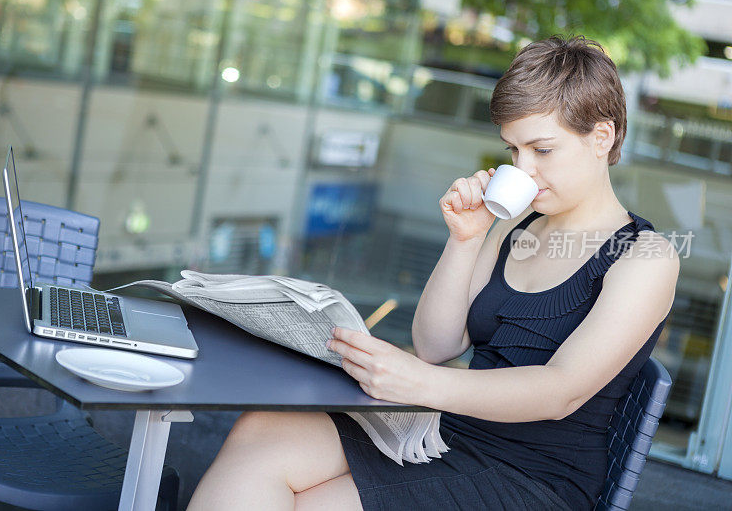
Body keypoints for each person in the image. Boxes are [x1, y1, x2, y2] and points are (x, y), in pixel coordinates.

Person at [187, 35, 680, 511]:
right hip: (449, 428)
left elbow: (560, 391)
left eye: (542, 150)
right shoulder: (517, 228)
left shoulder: (645, 257)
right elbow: (436, 346)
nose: (522, 169)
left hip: (532, 476)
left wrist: (420, 384)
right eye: (512, 150)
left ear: (602, 137)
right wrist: (465, 238)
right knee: (260, 431)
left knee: (311, 502)